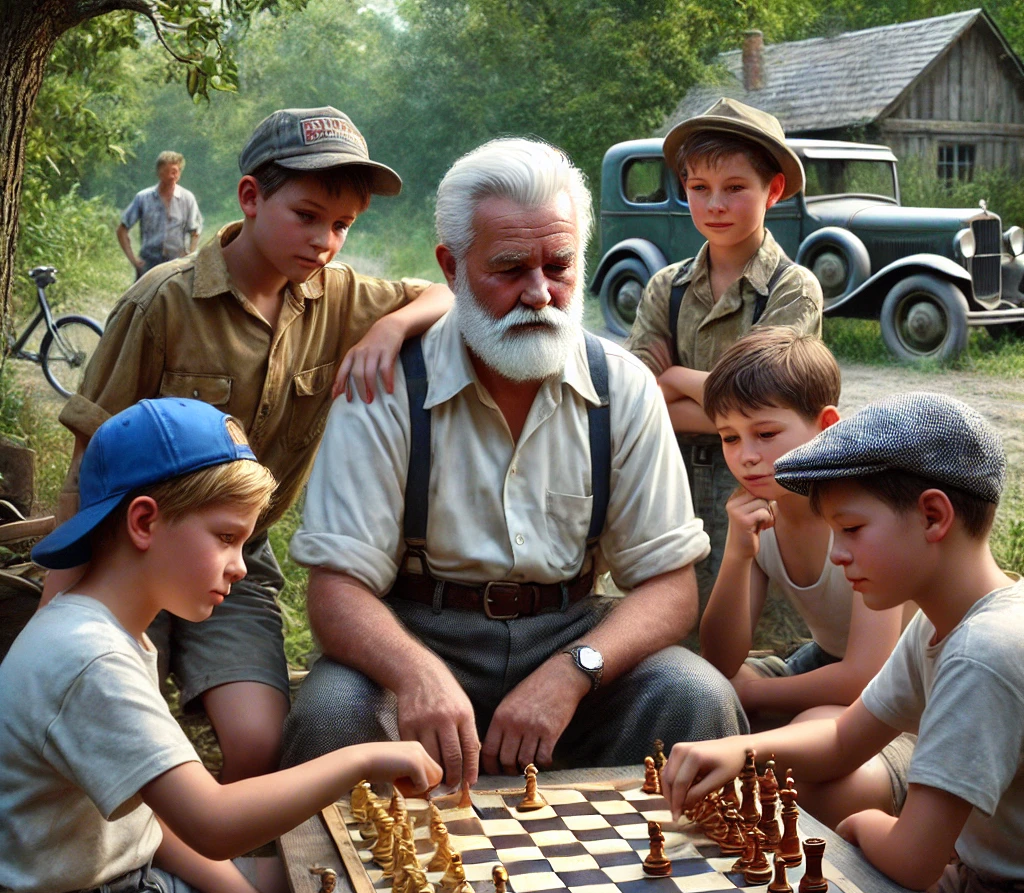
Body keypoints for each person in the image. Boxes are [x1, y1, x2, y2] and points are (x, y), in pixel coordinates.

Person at [280, 138, 746, 785]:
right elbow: (335, 589)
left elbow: (669, 585)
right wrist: (417, 676)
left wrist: (572, 672)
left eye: (559, 266)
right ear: (451, 266)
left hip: (573, 635)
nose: (539, 293)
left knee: (694, 696)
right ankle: (346, 888)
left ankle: (649, 882)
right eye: (509, 268)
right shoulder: (387, 386)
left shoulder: (621, 385)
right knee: (333, 714)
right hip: (416, 634)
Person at [0, 397, 443, 893]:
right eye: (227, 538)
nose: (240, 567)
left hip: (134, 888)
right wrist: (365, 755)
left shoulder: (120, 635)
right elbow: (211, 821)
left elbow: (160, 824)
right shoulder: (86, 656)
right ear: (145, 522)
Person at [45, 106, 453, 784]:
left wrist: (389, 329)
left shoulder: (342, 298)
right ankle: (143, 873)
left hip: (235, 562)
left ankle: (222, 861)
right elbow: (87, 462)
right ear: (251, 197)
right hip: (127, 550)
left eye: (344, 225)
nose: (325, 240)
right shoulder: (164, 302)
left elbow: (445, 295)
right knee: (107, 739)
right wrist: (58, 609)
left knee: (260, 746)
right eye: (308, 215)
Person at [662, 392, 1022, 893]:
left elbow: (912, 857)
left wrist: (857, 828)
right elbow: (841, 742)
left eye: (852, 529)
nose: (836, 555)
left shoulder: (984, 652)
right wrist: (736, 750)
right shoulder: (941, 627)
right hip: (979, 881)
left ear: (933, 516)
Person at [625, 98, 824, 603]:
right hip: (671, 487)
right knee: (667, 627)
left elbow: (767, 407)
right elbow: (637, 403)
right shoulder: (665, 288)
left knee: (753, 638)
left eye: (735, 188)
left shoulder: (792, 289)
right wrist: (672, 396)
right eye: (699, 188)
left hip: (760, 492)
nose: (715, 204)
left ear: (772, 190)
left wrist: (674, 383)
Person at [699, 327, 905, 721]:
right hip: (824, 663)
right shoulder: (760, 513)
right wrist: (739, 554)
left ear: (826, 426)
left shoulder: (864, 514)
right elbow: (720, 660)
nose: (746, 456)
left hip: (905, 681)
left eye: (765, 434)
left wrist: (755, 693)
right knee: (700, 690)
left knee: (805, 730)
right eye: (729, 438)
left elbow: (867, 675)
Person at [117, 151, 203, 278]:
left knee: (176, 298)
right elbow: (122, 230)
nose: (173, 176)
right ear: (159, 172)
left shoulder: (187, 198)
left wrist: (189, 258)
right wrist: (134, 260)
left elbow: (195, 231)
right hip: (149, 264)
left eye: (176, 171)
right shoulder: (143, 198)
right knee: (143, 298)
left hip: (176, 265)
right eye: (169, 171)